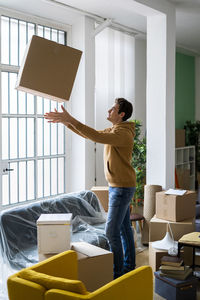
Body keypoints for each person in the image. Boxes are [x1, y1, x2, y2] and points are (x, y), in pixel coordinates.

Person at [44, 97, 136, 279]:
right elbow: (90, 134)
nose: (109, 110)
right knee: (124, 229)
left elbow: (96, 136)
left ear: (121, 114)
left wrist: (71, 119)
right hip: (119, 187)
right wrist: (67, 123)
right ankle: (129, 269)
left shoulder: (122, 134)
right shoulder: (116, 129)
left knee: (111, 233)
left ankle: (117, 276)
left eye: (113, 109)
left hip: (122, 188)